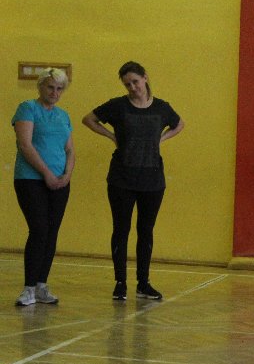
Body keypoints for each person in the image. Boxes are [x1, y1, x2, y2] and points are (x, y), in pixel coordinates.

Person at [82, 61, 184, 301]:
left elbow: (179, 124)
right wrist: (111, 136)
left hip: (152, 179)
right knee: (121, 229)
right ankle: (120, 282)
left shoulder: (161, 107)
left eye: (135, 82)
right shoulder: (118, 105)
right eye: (127, 84)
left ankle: (143, 283)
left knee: (145, 231)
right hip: (122, 178)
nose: (132, 87)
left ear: (145, 78)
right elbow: (89, 119)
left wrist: (162, 139)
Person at [12, 67, 75, 307]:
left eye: (59, 89)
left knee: (51, 231)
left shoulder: (63, 116)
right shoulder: (27, 108)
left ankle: (41, 285)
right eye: (50, 87)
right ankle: (28, 288)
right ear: (40, 86)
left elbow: (70, 149)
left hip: (59, 182)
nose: (54, 93)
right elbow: (25, 145)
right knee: (38, 229)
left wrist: (67, 174)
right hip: (31, 180)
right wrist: (47, 174)